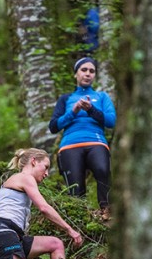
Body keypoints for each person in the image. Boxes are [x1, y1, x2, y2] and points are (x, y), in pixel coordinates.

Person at [48, 57, 116, 212]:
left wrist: (91, 110)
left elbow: (111, 122)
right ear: (76, 74)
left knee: (103, 171)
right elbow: (53, 126)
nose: (88, 74)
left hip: (96, 141)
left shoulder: (102, 97)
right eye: (84, 70)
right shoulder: (66, 99)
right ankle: (82, 219)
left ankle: (107, 210)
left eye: (92, 71)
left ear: (95, 76)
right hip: (70, 144)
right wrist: (73, 111)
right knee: (75, 189)